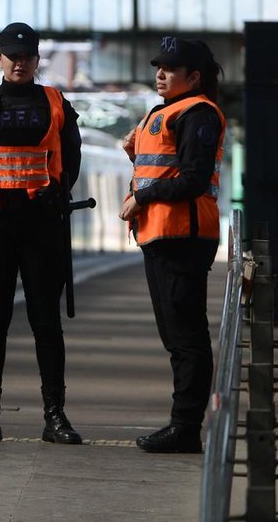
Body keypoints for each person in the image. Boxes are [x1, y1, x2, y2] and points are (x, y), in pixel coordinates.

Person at [0, 21, 84, 445]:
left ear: (37, 59)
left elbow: (73, 158)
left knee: (46, 323)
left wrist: (58, 195)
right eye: (11, 55)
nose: (19, 62)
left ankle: (55, 416)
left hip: (42, 225)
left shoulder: (57, 103)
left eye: (26, 56)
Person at [120, 35, 226, 455]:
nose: (160, 74)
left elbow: (193, 178)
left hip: (183, 236)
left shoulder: (199, 114)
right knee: (176, 335)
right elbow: (161, 168)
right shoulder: (165, 113)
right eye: (157, 67)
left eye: (170, 68)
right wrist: (135, 153)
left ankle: (185, 427)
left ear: (193, 77)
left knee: (186, 336)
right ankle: (182, 424)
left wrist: (141, 197)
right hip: (162, 236)